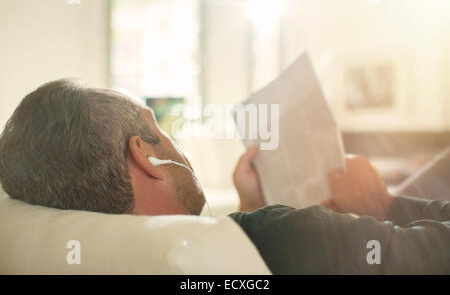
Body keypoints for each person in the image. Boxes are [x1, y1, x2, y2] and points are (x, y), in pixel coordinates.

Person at [0, 80, 448, 274]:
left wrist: (249, 206)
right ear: (144, 156)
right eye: (158, 129)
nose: (173, 144)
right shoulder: (283, 235)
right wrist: (385, 205)